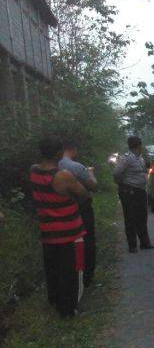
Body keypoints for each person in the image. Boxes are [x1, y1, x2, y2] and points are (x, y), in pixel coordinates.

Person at [29, 136, 90, 317]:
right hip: (70, 232)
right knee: (73, 270)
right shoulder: (63, 176)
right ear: (58, 153)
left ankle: (55, 301)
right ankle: (69, 308)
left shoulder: (33, 171)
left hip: (48, 232)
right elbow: (85, 194)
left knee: (53, 268)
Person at [59, 140, 98, 287]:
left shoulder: (52, 166)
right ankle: (87, 275)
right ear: (73, 149)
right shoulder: (76, 167)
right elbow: (92, 187)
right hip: (81, 208)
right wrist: (91, 173)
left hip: (60, 211)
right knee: (87, 239)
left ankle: (70, 275)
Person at [112, 136, 154, 253]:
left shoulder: (139, 158)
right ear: (139, 146)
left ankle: (144, 243)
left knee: (142, 217)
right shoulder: (127, 158)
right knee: (130, 218)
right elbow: (116, 173)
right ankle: (132, 245)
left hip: (140, 190)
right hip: (130, 191)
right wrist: (122, 183)